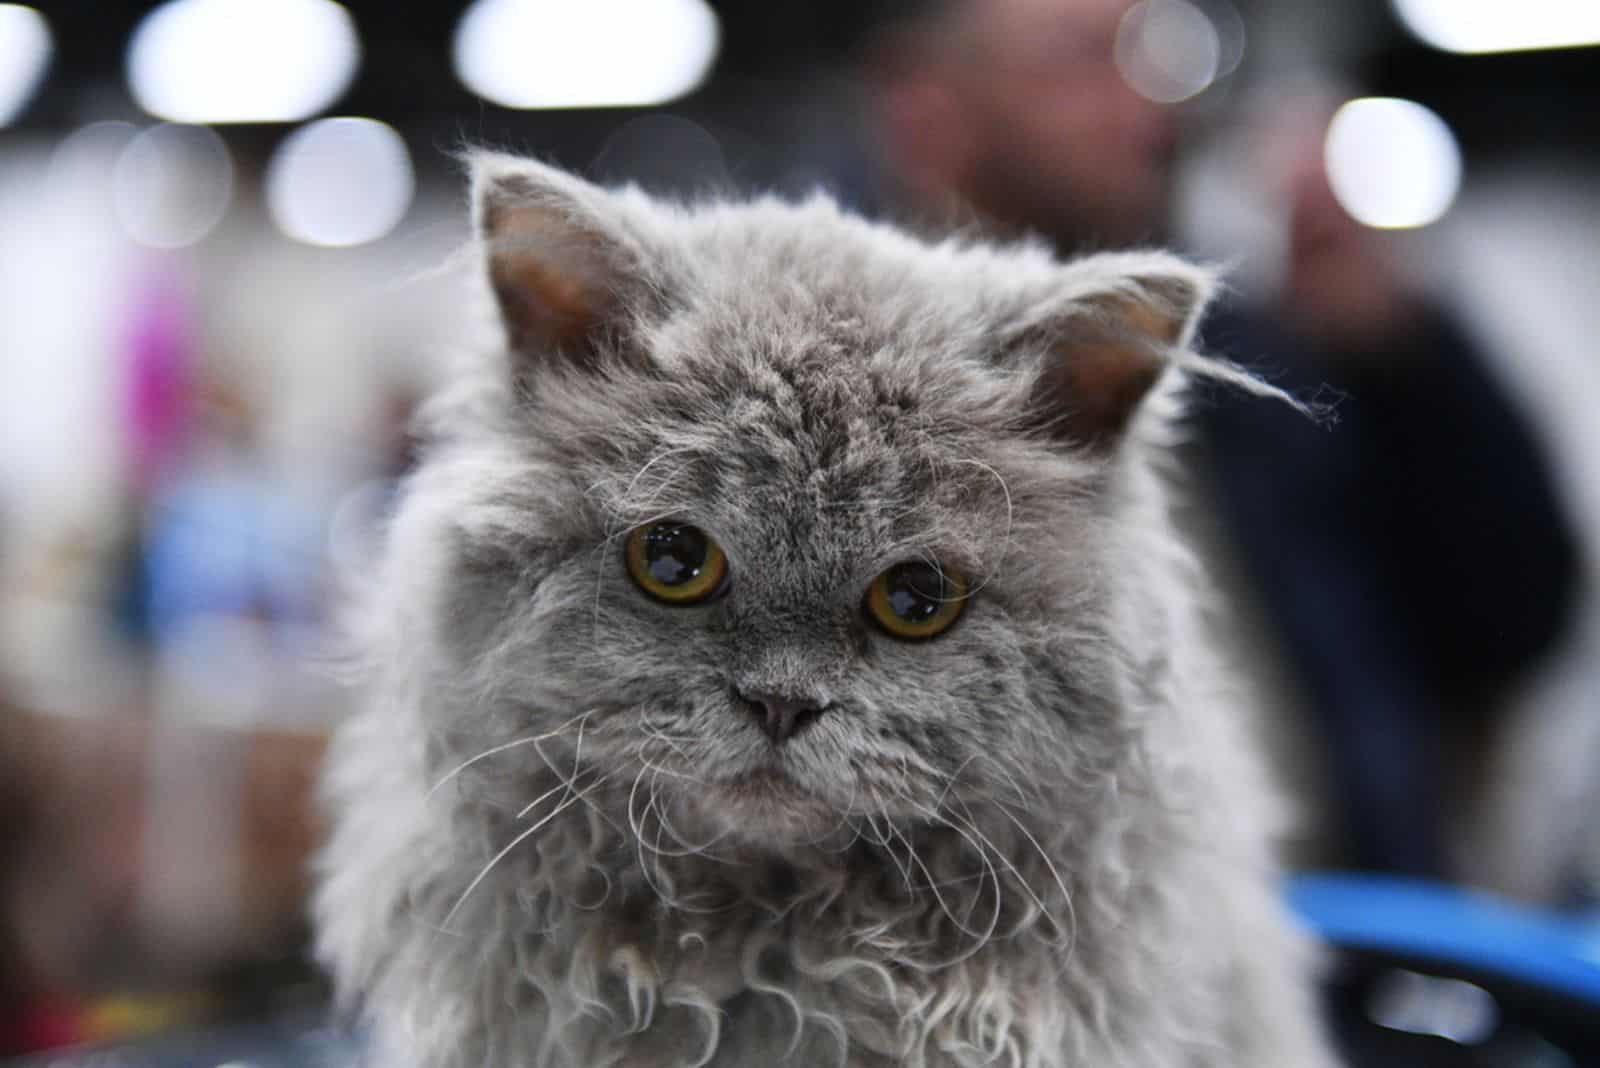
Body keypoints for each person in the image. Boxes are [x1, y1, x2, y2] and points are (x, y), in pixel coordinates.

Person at [865, 0, 1583, 878]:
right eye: (1079, 62)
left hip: (1363, 943)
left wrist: (1403, 353)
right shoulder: (858, 401)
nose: (1140, 106)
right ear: (928, 113)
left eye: (1145, 56)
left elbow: (1508, 621)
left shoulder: (1242, 365)